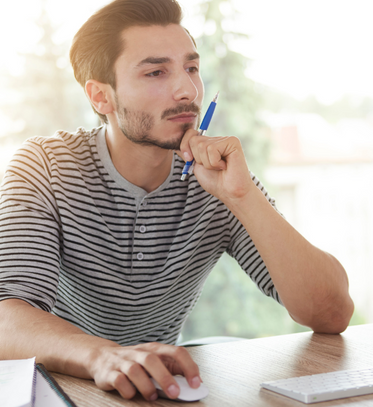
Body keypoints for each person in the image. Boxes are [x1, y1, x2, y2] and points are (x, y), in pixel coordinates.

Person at [0, 0, 354, 402]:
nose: (188, 90)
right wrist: (103, 356)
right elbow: (6, 318)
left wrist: (242, 197)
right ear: (101, 97)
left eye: (191, 68)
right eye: (155, 72)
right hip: (64, 387)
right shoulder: (45, 165)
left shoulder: (221, 179)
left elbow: (332, 313)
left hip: (158, 391)